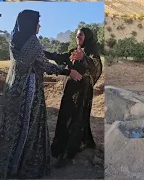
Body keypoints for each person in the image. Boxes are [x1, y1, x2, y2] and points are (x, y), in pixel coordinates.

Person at [0, 10, 81, 179]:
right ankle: (25, 167)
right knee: (30, 127)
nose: (39, 25)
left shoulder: (14, 39)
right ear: (30, 24)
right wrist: (68, 72)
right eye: (37, 22)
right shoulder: (33, 43)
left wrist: (63, 57)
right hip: (29, 92)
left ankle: (4, 164)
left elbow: (40, 57)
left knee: (11, 128)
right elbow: (45, 65)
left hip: (13, 89)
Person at [43, 27, 103, 168]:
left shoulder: (92, 53)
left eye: (80, 35)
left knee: (75, 120)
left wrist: (84, 58)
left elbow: (97, 67)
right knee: (65, 117)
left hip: (82, 93)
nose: (78, 38)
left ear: (87, 37)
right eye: (76, 35)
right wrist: (43, 53)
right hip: (70, 91)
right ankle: (63, 147)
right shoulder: (73, 51)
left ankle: (68, 153)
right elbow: (59, 57)